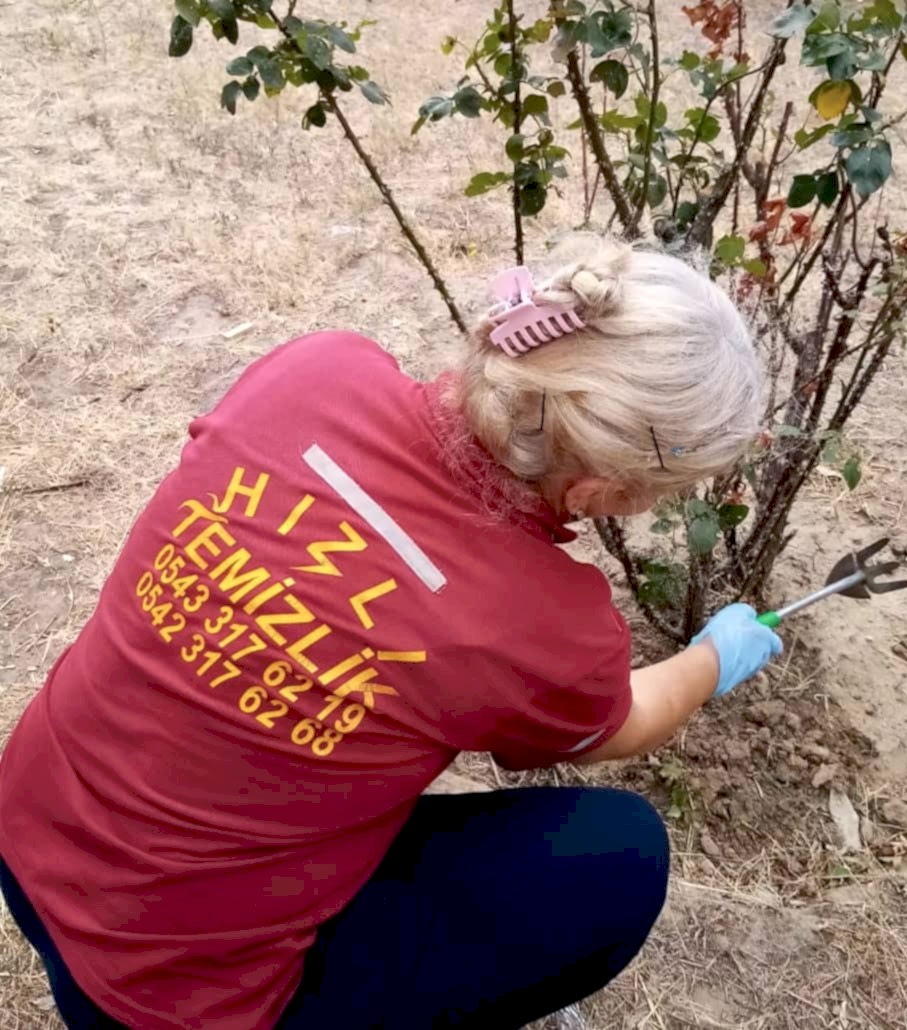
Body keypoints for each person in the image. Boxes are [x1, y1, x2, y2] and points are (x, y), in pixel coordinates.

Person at [0, 236, 782, 1030]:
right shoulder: (542, 620)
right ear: (600, 491)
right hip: (168, 1000)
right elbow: (628, 719)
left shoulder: (318, 369)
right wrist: (713, 659)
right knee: (619, 856)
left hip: (29, 833)